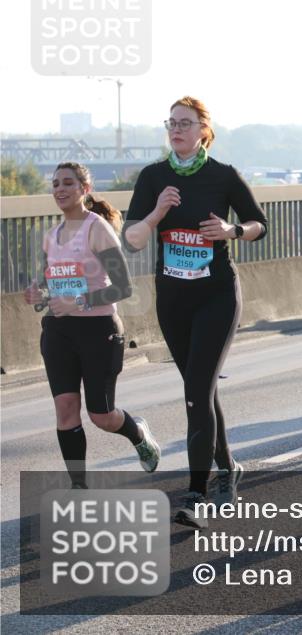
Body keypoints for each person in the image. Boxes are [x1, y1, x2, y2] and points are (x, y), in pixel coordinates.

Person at [123, 97, 268, 528]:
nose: (176, 129)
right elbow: (132, 239)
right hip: (173, 300)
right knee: (198, 388)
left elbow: (259, 224)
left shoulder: (223, 175)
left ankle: (196, 495)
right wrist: (157, 212)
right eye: (171, 122)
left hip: (216, 296)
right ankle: (227, 466)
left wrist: (231, 230)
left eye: (185, 123)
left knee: (197, 390)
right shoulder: (153, 177)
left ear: (204, 129)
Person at [24, 163, 161, 490]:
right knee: (66, 410)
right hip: (58, 332)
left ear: (84, 189)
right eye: (55, 184)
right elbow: (49, 286)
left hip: (99, 331)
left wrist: (78, 302)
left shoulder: (97, 229)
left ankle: (138, 434)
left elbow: (123, 287)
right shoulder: (52, 237)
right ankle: (79, 487)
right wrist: (38, 293)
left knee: (101, 416)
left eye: (67, 183)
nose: (60, 189)